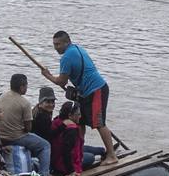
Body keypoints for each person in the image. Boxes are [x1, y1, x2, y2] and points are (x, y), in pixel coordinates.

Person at [39, 30, 118, 166]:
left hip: (96, 90)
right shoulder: (77, 48)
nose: (55, 47)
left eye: (58, 44)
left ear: (66, 42)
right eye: (54, 44)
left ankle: (111, 155)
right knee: (80, 121)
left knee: (99, 123)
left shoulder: (67, 57)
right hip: (85, 93)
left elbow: (61, 81)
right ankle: (78, 150)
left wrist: (47, 75)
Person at [0, 73, 51, 176]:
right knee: (45, 146)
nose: (27, 87)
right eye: (26, 85)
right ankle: (44, 175)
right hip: (14, 138)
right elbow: (28, 128)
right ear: (22, 87)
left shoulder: (1, 96)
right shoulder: (24, 103)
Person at [49, 101, 106, 176]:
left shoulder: (57, 121)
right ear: (70, 115)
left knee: (85, 148)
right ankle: (103, 152)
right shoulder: (71, 130)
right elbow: (66, 152)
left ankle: (103, 151)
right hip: (62, 164)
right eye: (78, 114)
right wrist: (71, 171)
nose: (80, 116)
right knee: (90, 157)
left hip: (55, 157)